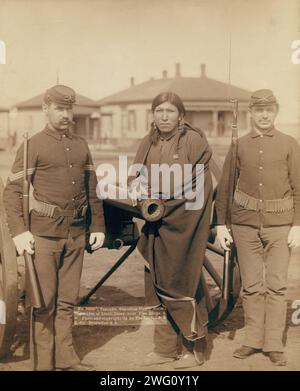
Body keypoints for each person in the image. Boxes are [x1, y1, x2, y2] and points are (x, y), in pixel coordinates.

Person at [3, 85, 106, 371]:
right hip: (44, 236)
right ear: (45, 109)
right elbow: (12, 193)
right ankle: (44, 365)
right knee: (44, 302)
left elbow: (91, 189)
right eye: (59, 109)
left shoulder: (81, 144)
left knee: (67, 300)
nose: (65, 115)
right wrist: (19, 232)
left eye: (68, 109)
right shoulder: (32, 145)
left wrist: (97, 225)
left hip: (75, 234)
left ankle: (66, 358)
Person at [215, 89, 300, 366]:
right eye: (259, 110)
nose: (264, 115)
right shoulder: (239, 145)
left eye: (269, 110)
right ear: (251, 113)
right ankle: (253, 340)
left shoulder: (289, 144)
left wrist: (298, 224)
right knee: (252, 287)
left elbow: (299, 187)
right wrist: (221, 224)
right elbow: (225, 187)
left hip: (280, 226)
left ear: (275, 112)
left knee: (276, 286)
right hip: (244, 225)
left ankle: (274, 344)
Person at [129, 92, 213, 368]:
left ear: (181, 115)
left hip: (184, 225)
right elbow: (136, 176)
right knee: (154, 281)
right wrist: (139, 193)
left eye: (170, 111)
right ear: (152, 115)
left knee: (182, 280)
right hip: (155, 224)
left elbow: (199, 187)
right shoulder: (147, 142)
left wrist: (166, 204)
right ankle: (164, 348)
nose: (164, 116)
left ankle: (193, 348)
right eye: (159, 111)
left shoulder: (194, 141)